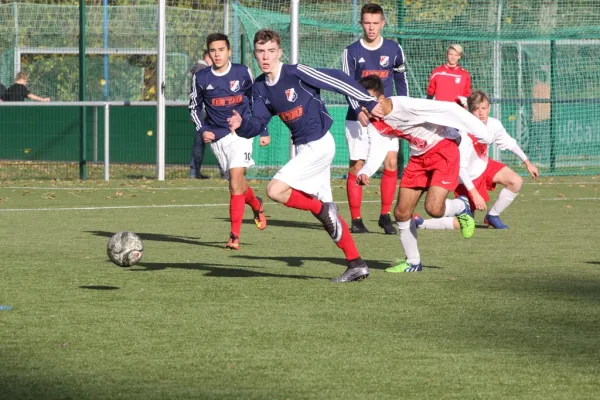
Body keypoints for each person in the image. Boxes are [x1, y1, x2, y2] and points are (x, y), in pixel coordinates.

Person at [228, 29, 384, 283]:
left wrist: (365, 100)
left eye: (270, 51)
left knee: (275, 190)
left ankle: (324, 209)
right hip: (304, 149)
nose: (265, 57)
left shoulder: (296, 72)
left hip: (320, 145)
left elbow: (336, 78)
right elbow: (257, 123)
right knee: (327, 218)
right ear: (255, 54)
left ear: (280, 52)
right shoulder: (259, 87)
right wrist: (242, 125)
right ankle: (356, 264)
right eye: (260, 52)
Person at [355, 75, 493, 273]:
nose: (364, 109)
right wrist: (367, 170)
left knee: (434, 209)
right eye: (362, 104)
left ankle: (461, 206)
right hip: (418, 158)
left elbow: (450, 109)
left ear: (381, 99)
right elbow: (378, 147)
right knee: (401, 213)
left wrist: (484, 134)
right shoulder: (373, 121)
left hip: (443, 149)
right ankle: (413, 262)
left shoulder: (406, 105)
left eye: (367, 103)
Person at [415, 90, 540, 230]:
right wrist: (475, 194)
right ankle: (421, 223)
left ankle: (493, 216)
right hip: (466, 177)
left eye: (484, 108)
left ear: (489, 108)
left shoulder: (494, 125)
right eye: (476, 109)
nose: (481, 113)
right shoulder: (463, 133)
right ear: (469, 111)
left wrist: (527, 162)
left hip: (485, 165)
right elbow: (461, 169)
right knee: (465, 223)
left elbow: (509, 143)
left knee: (516, 181)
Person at [189, 33, 269, 250]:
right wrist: (203, 129)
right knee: (238, 185)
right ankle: (255, 203)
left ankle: (234, 235)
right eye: (213, 50)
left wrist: (262, 129)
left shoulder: (242, 73)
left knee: (235, 182)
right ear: (208, 53)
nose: (217, 54)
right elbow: (194, 107)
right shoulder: (201, 77)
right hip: (217, 137)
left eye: (221, 50)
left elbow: (257, 101)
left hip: (241, 133)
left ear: (229, 51)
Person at [342, 3, 409, 235]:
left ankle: (385, 216)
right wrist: (358, 109)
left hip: (387, 118)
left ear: (382, 24)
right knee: (357, 164)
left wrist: (401, 111)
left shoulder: (394, 49)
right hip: (357, 117)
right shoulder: (351, 51)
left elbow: (401, 81)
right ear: (361, 24)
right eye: (367, 23)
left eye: (375, 23)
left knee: (391, 163)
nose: (371, 28)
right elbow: (346, 86)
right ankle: (356, 219)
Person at [189, 50, 213, 179]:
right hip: (204, 113)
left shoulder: (199, 69)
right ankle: (194, 172)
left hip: (202, 113)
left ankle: (195, 172)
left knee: (201, 143)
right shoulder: (202, 70)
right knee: (200, 143)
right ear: (208, 57)